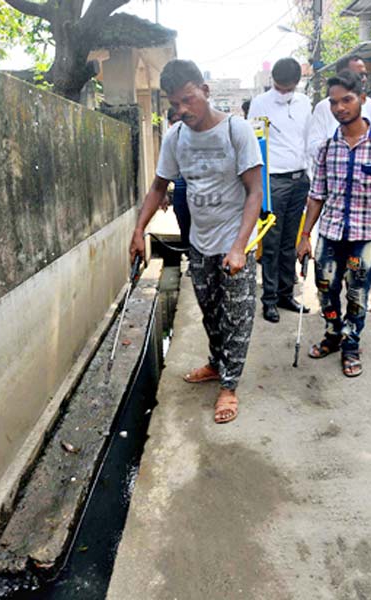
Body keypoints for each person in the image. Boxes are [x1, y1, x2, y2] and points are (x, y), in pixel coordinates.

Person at [130, 59, 263, 424]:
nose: (182, 110)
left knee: (237, 316)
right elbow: (159, 186)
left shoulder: (238, 131)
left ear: (205, 90)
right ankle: (217, 364)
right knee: (210, 314)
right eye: (175, 104)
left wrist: (239, 246)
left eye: (188, 99)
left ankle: (229, 386)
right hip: (200, 243)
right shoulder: (175, 137)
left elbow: (255, 192)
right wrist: (139, 230)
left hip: (235, 242)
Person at [296, 70, 371, 377]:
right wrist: (305, 235)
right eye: (334, 102)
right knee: (325, 288)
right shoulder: (326, 149)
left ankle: (351, 344)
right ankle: (332, 334)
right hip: (330, 234)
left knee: (357, 293)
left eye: (347, 100)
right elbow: (316, 195)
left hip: (365, 235)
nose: (340, 108)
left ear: (362, 98)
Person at [248, 57, 313, 323]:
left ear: (297, 83)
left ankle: (287, 294)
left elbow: (309, 140)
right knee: (271, 244)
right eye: (279, 87)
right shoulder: (259, 104)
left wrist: (310, 177)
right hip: (273, 181)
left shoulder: (305, 103)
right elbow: (254, 142)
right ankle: (270, 299)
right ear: (272, 81)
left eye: (288, 88)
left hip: (300, 179)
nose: (284, 92)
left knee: (290, 241)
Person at [165, 107, 191, 248]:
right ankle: (189, 254)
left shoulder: (197, 136)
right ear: (170, 123)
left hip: (198, 191)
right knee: (185, 227)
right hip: (180, 191)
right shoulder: (171, 139)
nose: (178, 124)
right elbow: (164, 169)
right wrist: (163, 192)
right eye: (175, 121)